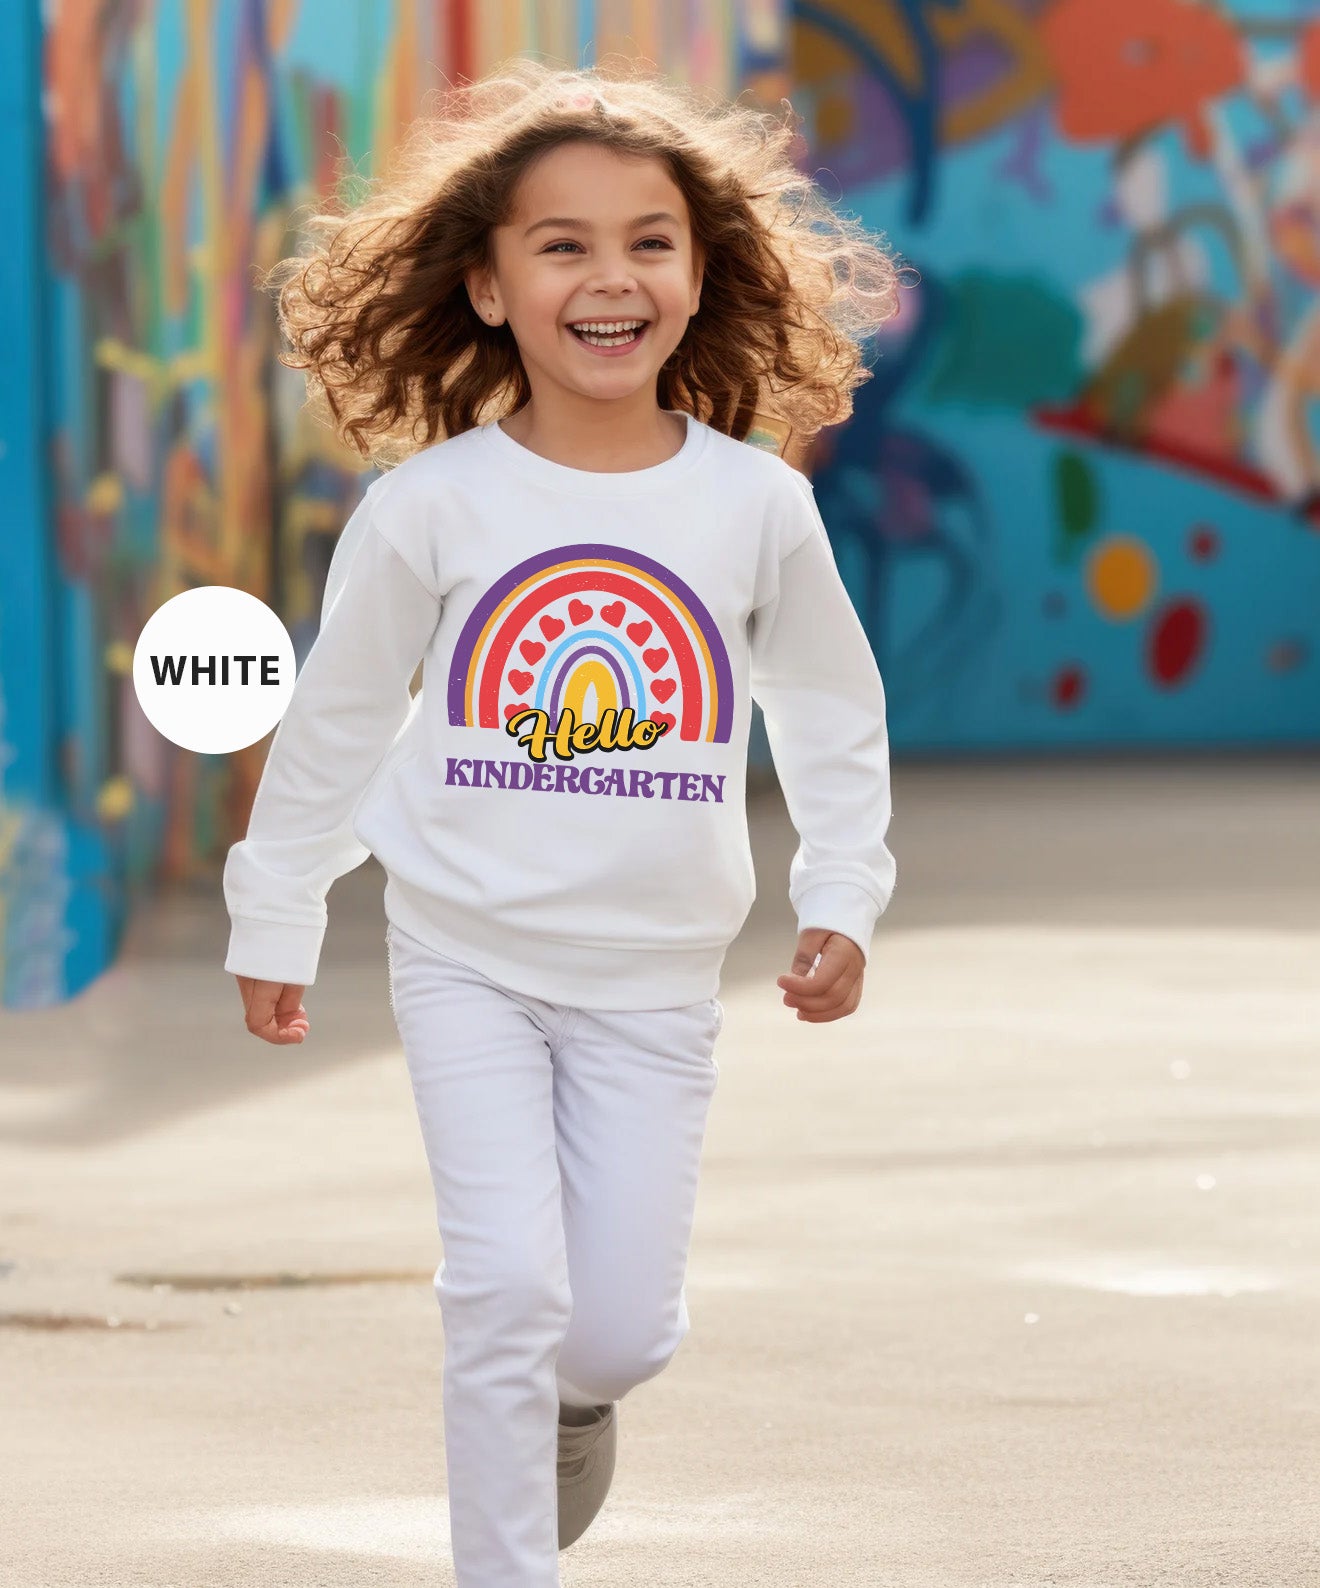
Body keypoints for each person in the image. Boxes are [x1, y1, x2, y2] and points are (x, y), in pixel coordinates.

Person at [224, 56, 901, 1587]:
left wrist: (842, 897)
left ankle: (579, 1399)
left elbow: (830, 710)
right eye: (564, 243)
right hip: (463, 952)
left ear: (699, 273)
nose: (612, 276)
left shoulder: (753, 508)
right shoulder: (432, 509)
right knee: (505, 1293)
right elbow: (339, 718)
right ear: (486, 286)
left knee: (613, 1330)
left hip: (657, 976)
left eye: (649, 240)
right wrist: (279, 910)